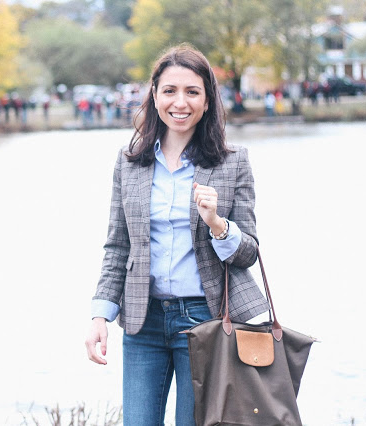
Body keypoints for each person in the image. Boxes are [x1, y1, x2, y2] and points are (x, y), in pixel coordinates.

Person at [85, 44, 269, 425]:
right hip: (142, 321)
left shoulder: (233, 163)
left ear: (207, 100)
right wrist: (100, 316)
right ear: (154, 96)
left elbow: (248, 252)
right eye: (169, 91)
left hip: (205, 320)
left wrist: (217, 223)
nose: (179, 102)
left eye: (192, 92)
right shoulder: (129, 162)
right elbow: (118, 246)